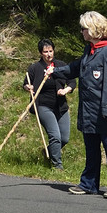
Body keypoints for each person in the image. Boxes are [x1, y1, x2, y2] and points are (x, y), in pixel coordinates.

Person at [46, 11, 107, 198]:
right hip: (89, 110)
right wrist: (55, 71)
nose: (82, 32)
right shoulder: (90, 51)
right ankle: (89, 184)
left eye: (84, 29)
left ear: (94, 30)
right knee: (91, 148)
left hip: (106, 110)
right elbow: (75, 68)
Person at [25, 38, 72, 169]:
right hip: (43, 106)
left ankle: (50, 151)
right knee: (55, 136)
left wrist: (66, 89)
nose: (49, 54)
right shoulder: (35, 68)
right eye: (45, 52)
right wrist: (28, 87)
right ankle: (57, 165)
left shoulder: (61, 65)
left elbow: (72, 81)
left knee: (64, 138)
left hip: (61, 106)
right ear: (41, 53)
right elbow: (26, 83)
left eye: (51, 51)